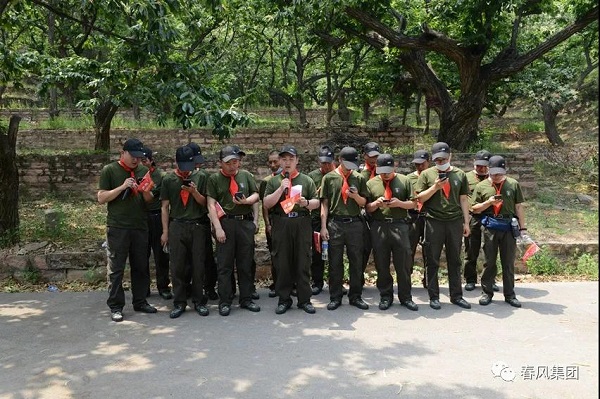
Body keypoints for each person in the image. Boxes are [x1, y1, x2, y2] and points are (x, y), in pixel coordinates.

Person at [97, 138, 157, 322]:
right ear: (123, 153)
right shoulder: (110, 170)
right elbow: (101, 197)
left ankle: (140, 301)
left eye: (139, 157)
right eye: (133, 156)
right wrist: (123, 186)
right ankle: (116, 306)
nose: (136, 161)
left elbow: (149, 199)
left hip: (140, 225)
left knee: (141, 266)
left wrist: (145, 191)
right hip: (118, 226)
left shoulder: (144, 171)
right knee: (116, 268)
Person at [414, 142, 471, 310]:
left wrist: (466, 222)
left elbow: (463, 199)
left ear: (450, 156)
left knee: (455, 260)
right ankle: (434, 296)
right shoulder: (426, 174)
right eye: (438, 160)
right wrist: (435, 187)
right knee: (432, 260)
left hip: (454, 221)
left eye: (444, 159)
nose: (441, 162)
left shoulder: (460, 174)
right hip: (434, 221)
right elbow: (419, 199)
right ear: (433, 159)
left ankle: (456, 296)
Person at [263, 145, 319, 314]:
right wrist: (281, 188)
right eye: (284, 159)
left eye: (291, 159)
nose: (287, 163)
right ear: (280, 161)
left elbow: (317, 202)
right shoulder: (273, 181)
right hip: (281, 223)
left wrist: (306, 203)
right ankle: (284, 299)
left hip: (301, 222)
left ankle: (304, 299)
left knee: (303, 261)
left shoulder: (306, 180)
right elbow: (266, 203)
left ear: (297, 161)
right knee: (283, 262)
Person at [206, 145, 261, 316]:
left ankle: (246, 298)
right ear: (220, 163)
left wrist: (247, 203)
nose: (232, 166)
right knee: (225, 265)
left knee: (245, 263)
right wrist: (218, 228)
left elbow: (256, 196)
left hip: (244, 223)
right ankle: (225, 300)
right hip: (226, 224)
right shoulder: (214, 179)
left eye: (236, 162)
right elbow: (211, 204)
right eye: (229, 162)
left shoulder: (246, 176)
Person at [160, 146, 210, 318]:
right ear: (176, 163)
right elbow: (165, 207)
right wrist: (165, 231)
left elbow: (205, 203)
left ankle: (198, 300)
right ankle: (179, 301)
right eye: (182, 167)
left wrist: (194, 192)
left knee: (198, 265)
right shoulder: (168, 180)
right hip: (177, 226)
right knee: (177, 266)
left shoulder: (201, 177)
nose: (186, 171)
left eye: (188, 167)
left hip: (197, 225)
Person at [365, 154, 419, 311]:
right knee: (381, 263)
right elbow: (367, 208)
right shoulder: (371, 183)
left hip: (400, 226)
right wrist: (376, 203)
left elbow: (414, 204)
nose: (385, 174)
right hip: (379, 227)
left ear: (394, 166)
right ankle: (385, 296)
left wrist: (400, 204)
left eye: (388, 171)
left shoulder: (405, 180)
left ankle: (406, 297)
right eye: (382, 171)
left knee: (403, 263)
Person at [471, 155, 525, 308]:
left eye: (499, 174)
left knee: (508, 262)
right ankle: (487, 292)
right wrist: (488, 202)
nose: (496, 177)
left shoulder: (513, 184)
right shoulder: (481, 186)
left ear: (505, 171)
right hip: (490, 227)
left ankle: (510, 294)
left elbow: (519, 207)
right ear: (488, 170)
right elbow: (473, 208)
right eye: (494, 173)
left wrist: (523, 228)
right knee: (489, 262)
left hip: (508, 226)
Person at [320, 146, 369, 311]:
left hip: (355, 223)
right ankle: (335, 296)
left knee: (356, 261)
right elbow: (324, 204)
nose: (350, 167)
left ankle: (356, 296)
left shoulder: (359, 178)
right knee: (335, 263)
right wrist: (323, 227)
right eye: (347, 163)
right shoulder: (329, 178)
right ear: (339, 160)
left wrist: (355, 196)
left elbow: (364, 203)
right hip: (335, 224)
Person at [463, 150, 500, 293]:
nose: (482, 169)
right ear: (474, 163)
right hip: (473, 217)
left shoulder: (496, 178)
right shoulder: (466, 178)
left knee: (490, 251)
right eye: (479, 165)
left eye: (485, 166)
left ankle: (490, 279)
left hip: (491, 218)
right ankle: (470, 279)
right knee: (471, 249)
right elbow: (463, 199)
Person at [187, 142, 219, 302]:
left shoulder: (204, 176)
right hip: (185, 223)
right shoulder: (180, 176)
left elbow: (208, 202)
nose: (199, 163)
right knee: (188, 259)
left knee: (206, 257)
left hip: (202, 221)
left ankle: (209, 287)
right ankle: (191, 288)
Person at [140, 146, 172, 300]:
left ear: (151, 161)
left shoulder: (158, 176)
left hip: (156, 217)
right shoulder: (135, 174)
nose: (141, 163)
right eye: (139, 160)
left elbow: (151, 197)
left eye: (144, 160)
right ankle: (143, 287)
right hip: (140, 217)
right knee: (141, 254)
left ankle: (163, 286)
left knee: (160, 254)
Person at [307, 145, 336, 295]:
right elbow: (306, 197)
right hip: (316, 219)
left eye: (328, 163)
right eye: (323, 163)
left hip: (335, 218)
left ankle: (335, 283)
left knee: (335, 253)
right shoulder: (312, 177)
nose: (325, 166)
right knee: (317, 252)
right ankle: (317, 282)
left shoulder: (338, 175)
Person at [259, 149, 281, 298]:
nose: (273, 164)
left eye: (275, 161)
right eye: (270, 162)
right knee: (275, 254)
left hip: (288, 221)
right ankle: (277, 284)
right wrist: (267, 224)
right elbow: (264, 205)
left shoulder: (290, 179)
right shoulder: (266, 181)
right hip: (274, 221)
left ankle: (291, 283)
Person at [358, 142, 381, 284]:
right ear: (364, 156)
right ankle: (358, 278)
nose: (373, 159)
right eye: (370, 156)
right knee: (363, 249)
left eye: (376, 156)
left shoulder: (383, 170)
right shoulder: (360, 173)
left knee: (380, 250)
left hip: (380, 214)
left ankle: (382, 280)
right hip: (363, 215)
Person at [406, 149, 430, 287]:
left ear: (428, 162)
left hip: (428, 216)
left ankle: (428, 279)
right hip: (413, 216)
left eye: (422, 164)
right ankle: (406, 279)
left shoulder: (434, 177)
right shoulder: (409, 178)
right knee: (409, 249)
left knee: (430, 250)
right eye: (417, 164)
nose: (420, 167)